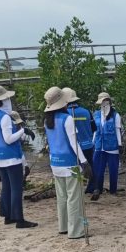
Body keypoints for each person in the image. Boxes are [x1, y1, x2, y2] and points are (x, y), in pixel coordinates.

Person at [0, 85, 37, 229]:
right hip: (11, 157)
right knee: (16, 189)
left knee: (6, 187)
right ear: (2, 101)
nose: (9, 101)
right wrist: (22, 131)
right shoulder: (5, 117)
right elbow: (8, 139)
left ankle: (8, 216)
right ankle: (19, 219)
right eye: (7, 98)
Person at [43, 87, 90, 239]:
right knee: (74, 198)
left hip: (55, 163)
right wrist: (84, 162)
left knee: (62, 197)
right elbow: (74, 143)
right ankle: (76, 231)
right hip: (70, 164)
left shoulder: (47, 120)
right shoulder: (67, 119)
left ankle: (63, 226)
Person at [63, 88, 96, 192]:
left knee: (75, 169)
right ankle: (91, 188)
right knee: (90, 167)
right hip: (88, 145)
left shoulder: (65, 114)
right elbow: (94, 128)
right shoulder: (87, 111)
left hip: (73, 147)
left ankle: (78, 188)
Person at [91, 92, 122, 200]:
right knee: (98, 169)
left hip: (112, 146)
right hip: (99, 146)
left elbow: (117, 131)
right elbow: (95, 131)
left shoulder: (115, 115)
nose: (104, 104)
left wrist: (120, 145)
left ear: (109, 102)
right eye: (102, 102)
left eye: (105, 101)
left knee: (113, 170)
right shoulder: (96, 114)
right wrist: (93, 142)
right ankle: (98, 189)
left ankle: (113, 190)